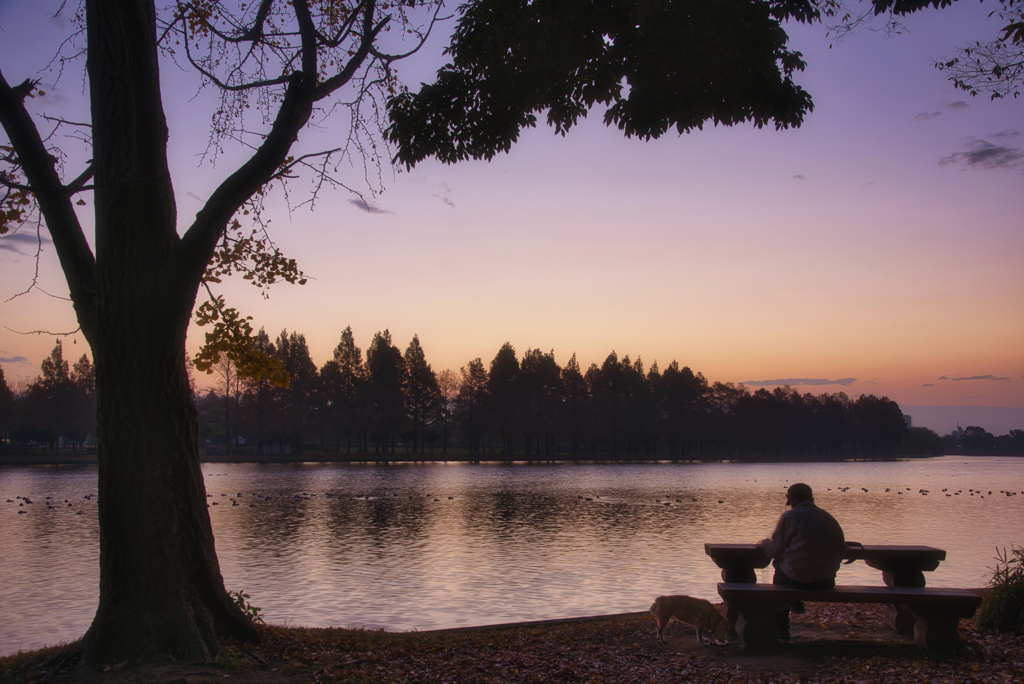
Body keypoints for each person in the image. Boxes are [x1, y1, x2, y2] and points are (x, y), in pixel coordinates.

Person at [758, 482, 845, 642]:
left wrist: (764, 543)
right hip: (827, 581)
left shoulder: (790, 516)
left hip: (799, 581)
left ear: (791, 500)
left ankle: (782, 629)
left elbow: (774, 551)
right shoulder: (827, 517)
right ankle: (794, 601)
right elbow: (841, 549)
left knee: (778, 564)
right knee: (790, 564)